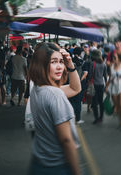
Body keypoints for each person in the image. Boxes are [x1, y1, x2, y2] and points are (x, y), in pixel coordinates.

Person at [28, 42, 81, 175]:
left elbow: (75, 88)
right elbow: (66, 140)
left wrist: (70, 66)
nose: (59, 67)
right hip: (58, 166)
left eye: (61, 62)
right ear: (43, 64)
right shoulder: (55, 95)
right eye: (53, 62)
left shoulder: (37, 89)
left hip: (38, 163)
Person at [91, 49, 108, 124]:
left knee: (94, 103)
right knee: (101, 101)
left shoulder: (93, 63)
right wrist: (106, 84)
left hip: (94, 84)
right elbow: (105, 76)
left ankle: (96, 118)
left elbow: (91, 75)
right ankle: (101, 117)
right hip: (101, 84)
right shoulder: (103, 64)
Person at [69, 47, 85, 124]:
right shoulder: (81, 62)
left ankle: (71, 117)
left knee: (71, 101)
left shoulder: (70, 61)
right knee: (78, 102)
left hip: (70, 83)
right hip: (78, 84)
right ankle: (78, 119)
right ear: (79, 53)